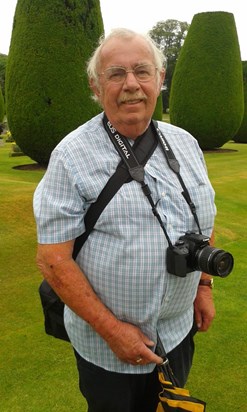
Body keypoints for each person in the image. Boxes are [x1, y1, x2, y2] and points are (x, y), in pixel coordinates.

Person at [33, 28, 216, 412]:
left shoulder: (185, 143)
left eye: (142, 71)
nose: (131, 84)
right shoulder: (71, 156)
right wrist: (113, 332)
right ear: (96, 87)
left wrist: (202, 287)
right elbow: (53, 258)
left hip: (177, 332)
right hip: (107, 346)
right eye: (116, 74)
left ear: (160, 79)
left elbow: (201, 219)